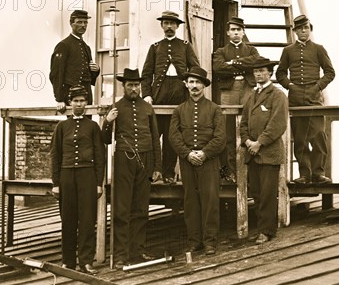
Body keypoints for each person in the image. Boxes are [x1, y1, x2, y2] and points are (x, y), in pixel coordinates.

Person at [101, 68, 162, 268]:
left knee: (141, 208)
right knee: (122, 209)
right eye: (130, 85)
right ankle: (120, 254)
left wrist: (157, 167)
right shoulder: (116, 107)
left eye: (136, 85)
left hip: (145, 160)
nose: (134, 88)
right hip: (123, 161)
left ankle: (137, 251)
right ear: (124, 86)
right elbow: (104, 139)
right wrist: (107, 122)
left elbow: (155, 139)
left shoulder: (147, 108)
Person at [169, 67, 226, 255]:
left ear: (204, 86)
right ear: (186, 85)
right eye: (191, 82)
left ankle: (210, 241)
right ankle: (195, 241)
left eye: (198, 82)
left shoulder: (214, 109)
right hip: (187, 162)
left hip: (208, 162)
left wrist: (204, 153)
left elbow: (220, 138)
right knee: (190, 201)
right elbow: (174, 136)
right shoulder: (179, 110)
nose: (194, 86)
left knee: (210, 200)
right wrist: (187, 154)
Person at [50, 85, 105, 273]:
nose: (79, 104)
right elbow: (55, 156)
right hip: (66, 177)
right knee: (68, 219)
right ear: (69, 103)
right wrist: (56, 184)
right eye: (75, 101)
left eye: (82, 101)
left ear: (86, 103)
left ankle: (86, 261)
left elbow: (100, 156)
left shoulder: (93, 127)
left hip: (87, 176)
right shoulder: (62, 126)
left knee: (88, 220)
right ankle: (68, 261)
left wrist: (99, 183)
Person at [141, 10, 200, 185]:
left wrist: (189, 87)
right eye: (165, 23)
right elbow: (146, 74)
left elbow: (195, 68)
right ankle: (153, 172)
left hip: (179, 94)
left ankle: (168, 173)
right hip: (159, 95)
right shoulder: (155, 47)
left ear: (177, 26)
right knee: (153, 135)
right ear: (161, 26)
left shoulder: (185, 46)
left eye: (172, 24)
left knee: (171, 137)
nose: (169, 27)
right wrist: (147, 95)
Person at [276, 15, 335, 184]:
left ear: (310, 30)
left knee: (318, 137)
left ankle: (318, 173)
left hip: (314, 98)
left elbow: (330, 72)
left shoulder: (318, 49)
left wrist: (317, 87)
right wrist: (290, 86)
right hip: (295, 99)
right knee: (300, 139)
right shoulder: (288, 51)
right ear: (294, 31)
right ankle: (305, 175)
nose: (304, 31)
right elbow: (280, 73)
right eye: (300, 28)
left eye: (307, 28)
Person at [240, 57, 288, 244]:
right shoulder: (251, 96)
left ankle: (267, 231)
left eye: (262, 71)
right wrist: (247, 141)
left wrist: (259, 142)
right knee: (258, 194)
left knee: (268, 194)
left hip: (268, 154)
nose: (258, 74)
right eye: (256, 71)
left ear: (270, 73)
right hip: (252, 154)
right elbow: (243, 123)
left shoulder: (278, 95)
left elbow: (278, 124)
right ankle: (262, 228)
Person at [212, 16, 260, 183]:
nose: (236, 32)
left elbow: (255, 62)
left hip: (248, 89)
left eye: (238, 29)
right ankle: (230, 172)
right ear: (228, 33)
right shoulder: (220, 52)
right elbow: (218, 67)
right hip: (229, 92)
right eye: (233, 30)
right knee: (229, 133)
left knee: (249, 129)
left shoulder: (252, 50)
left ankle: (248, 173)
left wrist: (233, 62)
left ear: (243, 31)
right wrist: (241, 65)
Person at [50, 9, 100, 113]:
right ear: (71, 23)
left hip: (86, 95)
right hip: (71, 95)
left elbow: (89, 76)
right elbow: (56, 74)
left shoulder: (86, 47)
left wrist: (96, 70)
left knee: (86, 125)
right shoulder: (64, 45)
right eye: (79, 22)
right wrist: (59, 99)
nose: (83, 25)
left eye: (85, 22)